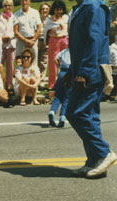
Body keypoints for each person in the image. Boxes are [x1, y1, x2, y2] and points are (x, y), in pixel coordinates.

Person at [66, 0, 116, 178]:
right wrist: (71, 71)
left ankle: (104, 153)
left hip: (92, 70)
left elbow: (94, 41)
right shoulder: (82, 7)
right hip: (84, 68)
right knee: (89, 116)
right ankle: (95, 162)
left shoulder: (93, 6)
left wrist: (84, 73)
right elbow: (80, 45)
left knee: (75, 113)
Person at [43, 0, 69, 91]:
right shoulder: (49, 20)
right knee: (52, 64)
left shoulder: (66, 18)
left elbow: (69, 29)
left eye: (60, 10)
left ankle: (66, 83)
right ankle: (52, 85)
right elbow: (46, 32)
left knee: (65, 62)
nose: (59, 12)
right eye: (57, 9)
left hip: (64, 40)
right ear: (53, 10)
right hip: (54, 41)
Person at [13, 0, 41, 66]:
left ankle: (33, 76)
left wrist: (33, 40)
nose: (24, 2)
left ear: (29, 1)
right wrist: (26, 41)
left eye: (26, 0)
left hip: (33, 41)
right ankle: (19, 75)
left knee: (34, 62)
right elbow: (16, 31)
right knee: (20, 62)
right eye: (22, 1)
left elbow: (39, 28)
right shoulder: (16, 14)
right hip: (21, 41)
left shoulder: (35, 12)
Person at [48, 48, 70, 127]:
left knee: (57, 95)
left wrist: (59, 66)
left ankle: (52, 111)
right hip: (70, 73)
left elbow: (55, 59)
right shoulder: (76, 51)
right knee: (66, 98)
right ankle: (62, 117)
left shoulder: (64, 51)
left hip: (62, 72)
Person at [0, 0, 16, 91]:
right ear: (3, 6)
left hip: (11, 44)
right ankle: (0, 83)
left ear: (12, 6)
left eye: (9, 5)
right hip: (0, 44)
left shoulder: (15, 17)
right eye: (5, 5)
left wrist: (9, 36)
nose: (7, 7)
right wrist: (1, 37)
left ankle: (9, 84)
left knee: (10, 66)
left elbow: (16, 30)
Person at [37, 3, 50, 89]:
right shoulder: (37, 19)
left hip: (46, 43)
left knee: (43, 62)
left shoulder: (50, 19)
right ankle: (35, 79)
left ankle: (41, 81)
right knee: (35, 62)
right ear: (40, 10)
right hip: (37, 41)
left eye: (46, 9)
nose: (44, 10)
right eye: (43, 9)